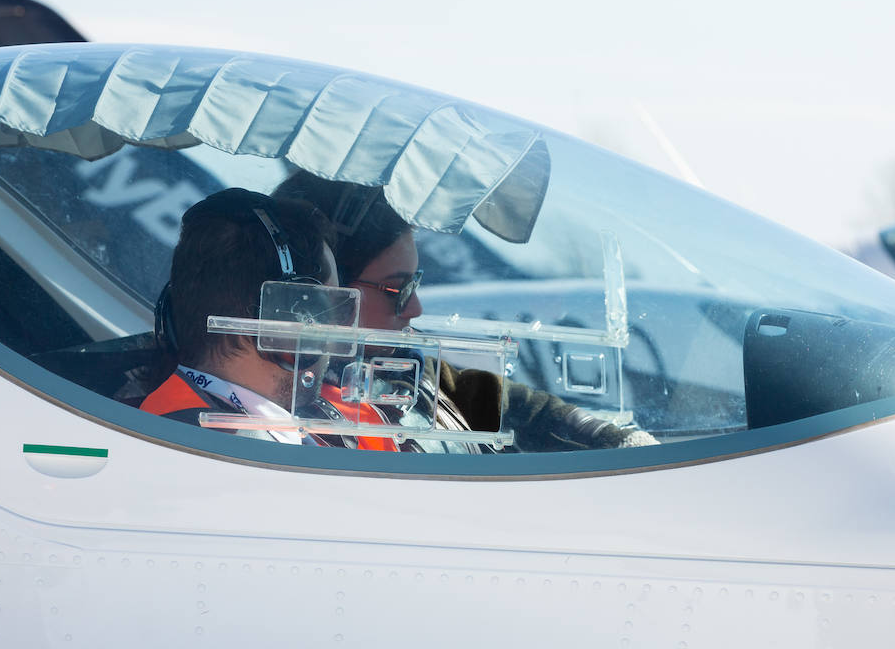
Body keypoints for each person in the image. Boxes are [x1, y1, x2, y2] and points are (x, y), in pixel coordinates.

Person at [271, 171, 656, 452]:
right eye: (397, 290)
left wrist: (614, 438)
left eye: (415, 286)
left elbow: (527, 408)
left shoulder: (414, 374)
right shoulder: (276, 417)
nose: (416, 309)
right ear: (324, 295)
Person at [140, 187, 395, 449]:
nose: (336, 328)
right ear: (290, 315)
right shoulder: (202, 447)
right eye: (331, 309)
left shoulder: (192, 423)